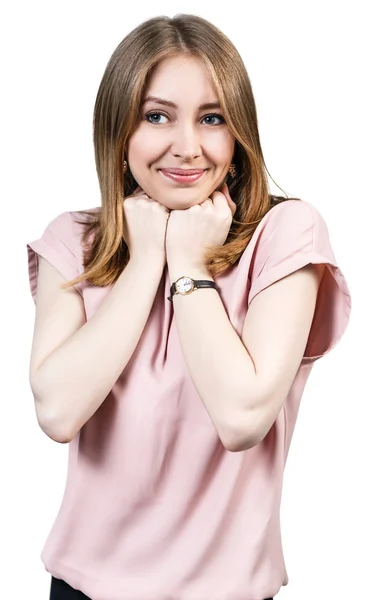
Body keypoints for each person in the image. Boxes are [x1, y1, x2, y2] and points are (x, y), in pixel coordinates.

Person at [26, 13, 351, 600]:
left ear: (239, 133)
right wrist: (146, 259)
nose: (188, 147)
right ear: (118, 132)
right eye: (157, 116)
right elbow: (56, 412)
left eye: (212, 118)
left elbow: (242, 416)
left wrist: (189, 265)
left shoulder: (285, 233)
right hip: (82, 591)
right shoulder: (75, 241)